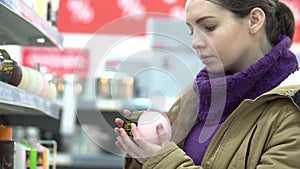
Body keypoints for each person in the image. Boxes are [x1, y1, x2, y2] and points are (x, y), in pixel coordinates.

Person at [114, 0, 300, 168]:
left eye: (209, 27)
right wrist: (143, 151)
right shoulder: (199, 92)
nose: (195, 43)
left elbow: (165, 160)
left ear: (254, 20)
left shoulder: (291, 110)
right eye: (191, 31)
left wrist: (163, 161)